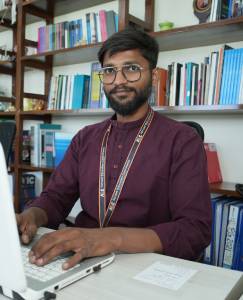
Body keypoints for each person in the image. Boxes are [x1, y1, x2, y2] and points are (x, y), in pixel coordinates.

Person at [17, 28, 212, 271]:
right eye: (109, 71)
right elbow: (56, 198)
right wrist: (31, 217)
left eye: (131, 69)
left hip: (147, 265)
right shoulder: (85, 138)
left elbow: (195, 230)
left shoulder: (182, 140)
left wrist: (107, 238)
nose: (118, 80)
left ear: (153, 75)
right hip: (80, 259)